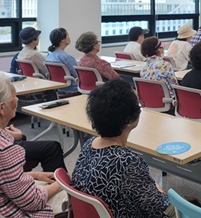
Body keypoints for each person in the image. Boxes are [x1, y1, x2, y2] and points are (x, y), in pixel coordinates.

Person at [71, 80, 175, 218]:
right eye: (138, 106)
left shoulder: (89, 145)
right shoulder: (127, 162)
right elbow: (160, 211)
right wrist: (160, 191)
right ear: (128, 120)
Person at [0, 74, 62, 218]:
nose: (17, 99)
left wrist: (34, 175)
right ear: (2, 108)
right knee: (69, 197)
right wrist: (62, 183)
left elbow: (4, 179)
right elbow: (33, 202)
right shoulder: (5, 150)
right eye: (14, 96)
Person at [45, 27, 78, 93]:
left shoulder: (49, 55)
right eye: (68, 35)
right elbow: (77, 75)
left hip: (58, 88)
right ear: (62, 40)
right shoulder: (66, 57)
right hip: (71, 88)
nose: (69, 37)